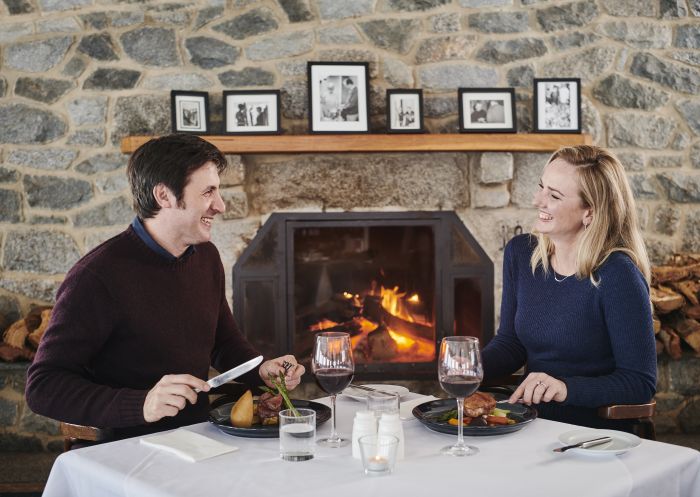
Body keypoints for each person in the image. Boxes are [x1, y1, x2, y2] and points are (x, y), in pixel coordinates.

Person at [26, 134, 305, 443]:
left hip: (201, 437)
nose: (221, 206)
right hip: (129, 450)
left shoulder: (206, 257)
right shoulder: (96, 277)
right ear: (164, 195)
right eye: (208, 191)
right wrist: (142, 404)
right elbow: (43, 387)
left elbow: (223, 343)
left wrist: (262, 371)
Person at [481, 145, 656, 431]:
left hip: (591, 433)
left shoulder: (618, 275)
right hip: (528, 423)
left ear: (590, 212)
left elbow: (639, 382)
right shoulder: (521, 254)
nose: (538, 200)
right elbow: (511, 343)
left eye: (554, 195)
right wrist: (468, 369)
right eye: (541, 187)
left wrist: (565, 388)